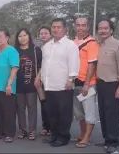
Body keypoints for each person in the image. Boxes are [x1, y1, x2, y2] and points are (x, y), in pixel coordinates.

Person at [39, 18, 80, 147]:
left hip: (63, 86)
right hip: (49, 85)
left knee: (64, 113)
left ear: (64, 29)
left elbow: (74, 63)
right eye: (53, 27)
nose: (55, 29)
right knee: (51, 113)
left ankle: (63, 137)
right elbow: (44, 64)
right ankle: (54, 135)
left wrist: (70, 79)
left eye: (58, 27)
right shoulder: (47, 46)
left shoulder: (70, 45)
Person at [95, 19, 119, 153]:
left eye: (105, 28)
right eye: (100, 28)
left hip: (113, 84)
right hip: (100, 84)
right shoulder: (98, 45)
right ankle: (107, 139)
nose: (102, 31)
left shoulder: (118, 45)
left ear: (111, 30)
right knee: (102, 113)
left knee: (112, 114)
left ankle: (113, 141)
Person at [71, 16, 100, 148]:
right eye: (78, 25)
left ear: (88, 27)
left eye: (83, 25)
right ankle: (83, 134)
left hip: (87, 83)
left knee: (89, 113)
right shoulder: (73, 42)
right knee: (79, 114)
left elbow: (92, 65)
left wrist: (87, 84)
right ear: (74, 26)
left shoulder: (92, 43)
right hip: (75, 83)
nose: (80, 28)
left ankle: (87, 138)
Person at [14, 28, 42, 141]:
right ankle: (22, 129)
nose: (22, 38)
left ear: (29, 36)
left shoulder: (36, 50)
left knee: (32, 108)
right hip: (18, 84)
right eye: (20, 36)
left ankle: (32, 130)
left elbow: (41, 65)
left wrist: (38, 78)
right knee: (20, 108)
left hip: (32, 84)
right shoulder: (14, 50)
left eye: (24, 35)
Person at [37, 25, 52, 136]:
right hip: (41, 81)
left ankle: (52, 127)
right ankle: (45, 126)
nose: (43, 35)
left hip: (52, 81)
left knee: (51, 104)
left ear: (50, 34)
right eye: (41, 33)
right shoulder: (40, 48)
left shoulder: (54, 46)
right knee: (43, 103)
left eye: (46, 33)